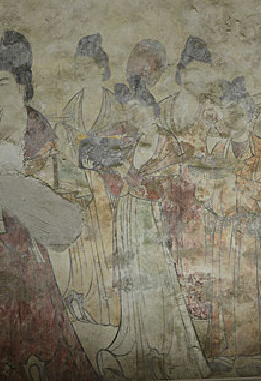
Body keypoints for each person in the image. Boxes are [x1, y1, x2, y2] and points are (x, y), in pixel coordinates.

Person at [0, 31, 98, 380]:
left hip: (25, 210)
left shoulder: (35, 122)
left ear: (21, 84)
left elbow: (43, 160)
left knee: (31, 278)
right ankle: (1, 354)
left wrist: (19, 172)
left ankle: (40, 351)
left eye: (3, 82)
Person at [97, 84, 210, 381]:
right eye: (129, 110)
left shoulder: (166, 144)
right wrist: (113, 172)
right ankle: (136, 344)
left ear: (151, 108)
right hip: (128, 216)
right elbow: (116, 181)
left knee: (157, 280)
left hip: (153, 221)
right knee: (133, 279)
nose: (132, 115)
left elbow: (169, 186)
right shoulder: (130, 142)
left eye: (137, 108)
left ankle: (163, 348)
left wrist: (134, 181)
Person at [188, 76, 261, 376]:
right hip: (223, 227)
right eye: (228, 112)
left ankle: (256, 350)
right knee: (223, 287)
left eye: (237, 112)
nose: (231, 118)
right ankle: (224, 349)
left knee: (252, 287)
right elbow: (203, 193)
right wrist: (202, 182)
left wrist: (234, 178)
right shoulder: (219, 149)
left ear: (250, 115)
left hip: (248, 227)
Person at [55, 33, 126, 326]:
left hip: (106, 188)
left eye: (87, 66)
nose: (82, 72)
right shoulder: (72, 106)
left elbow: (124, 144)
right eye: (78, 67)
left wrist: (98, 153)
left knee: (107, 245)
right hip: (79, 186)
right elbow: (63, 148)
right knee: (81, 246)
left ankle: (106, 307)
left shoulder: (114, 104)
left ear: (101, 67)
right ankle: (81, 299)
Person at [158, 36, 220, 331]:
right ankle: (172, 305)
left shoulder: (213, 111)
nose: (198, 79)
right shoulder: (163, 108)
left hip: (199, 191)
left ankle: (198, 304)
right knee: (167, 244)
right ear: (181, 73)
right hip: (168, 189)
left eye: (204, 73)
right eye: (193, 71)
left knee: (196, 247)